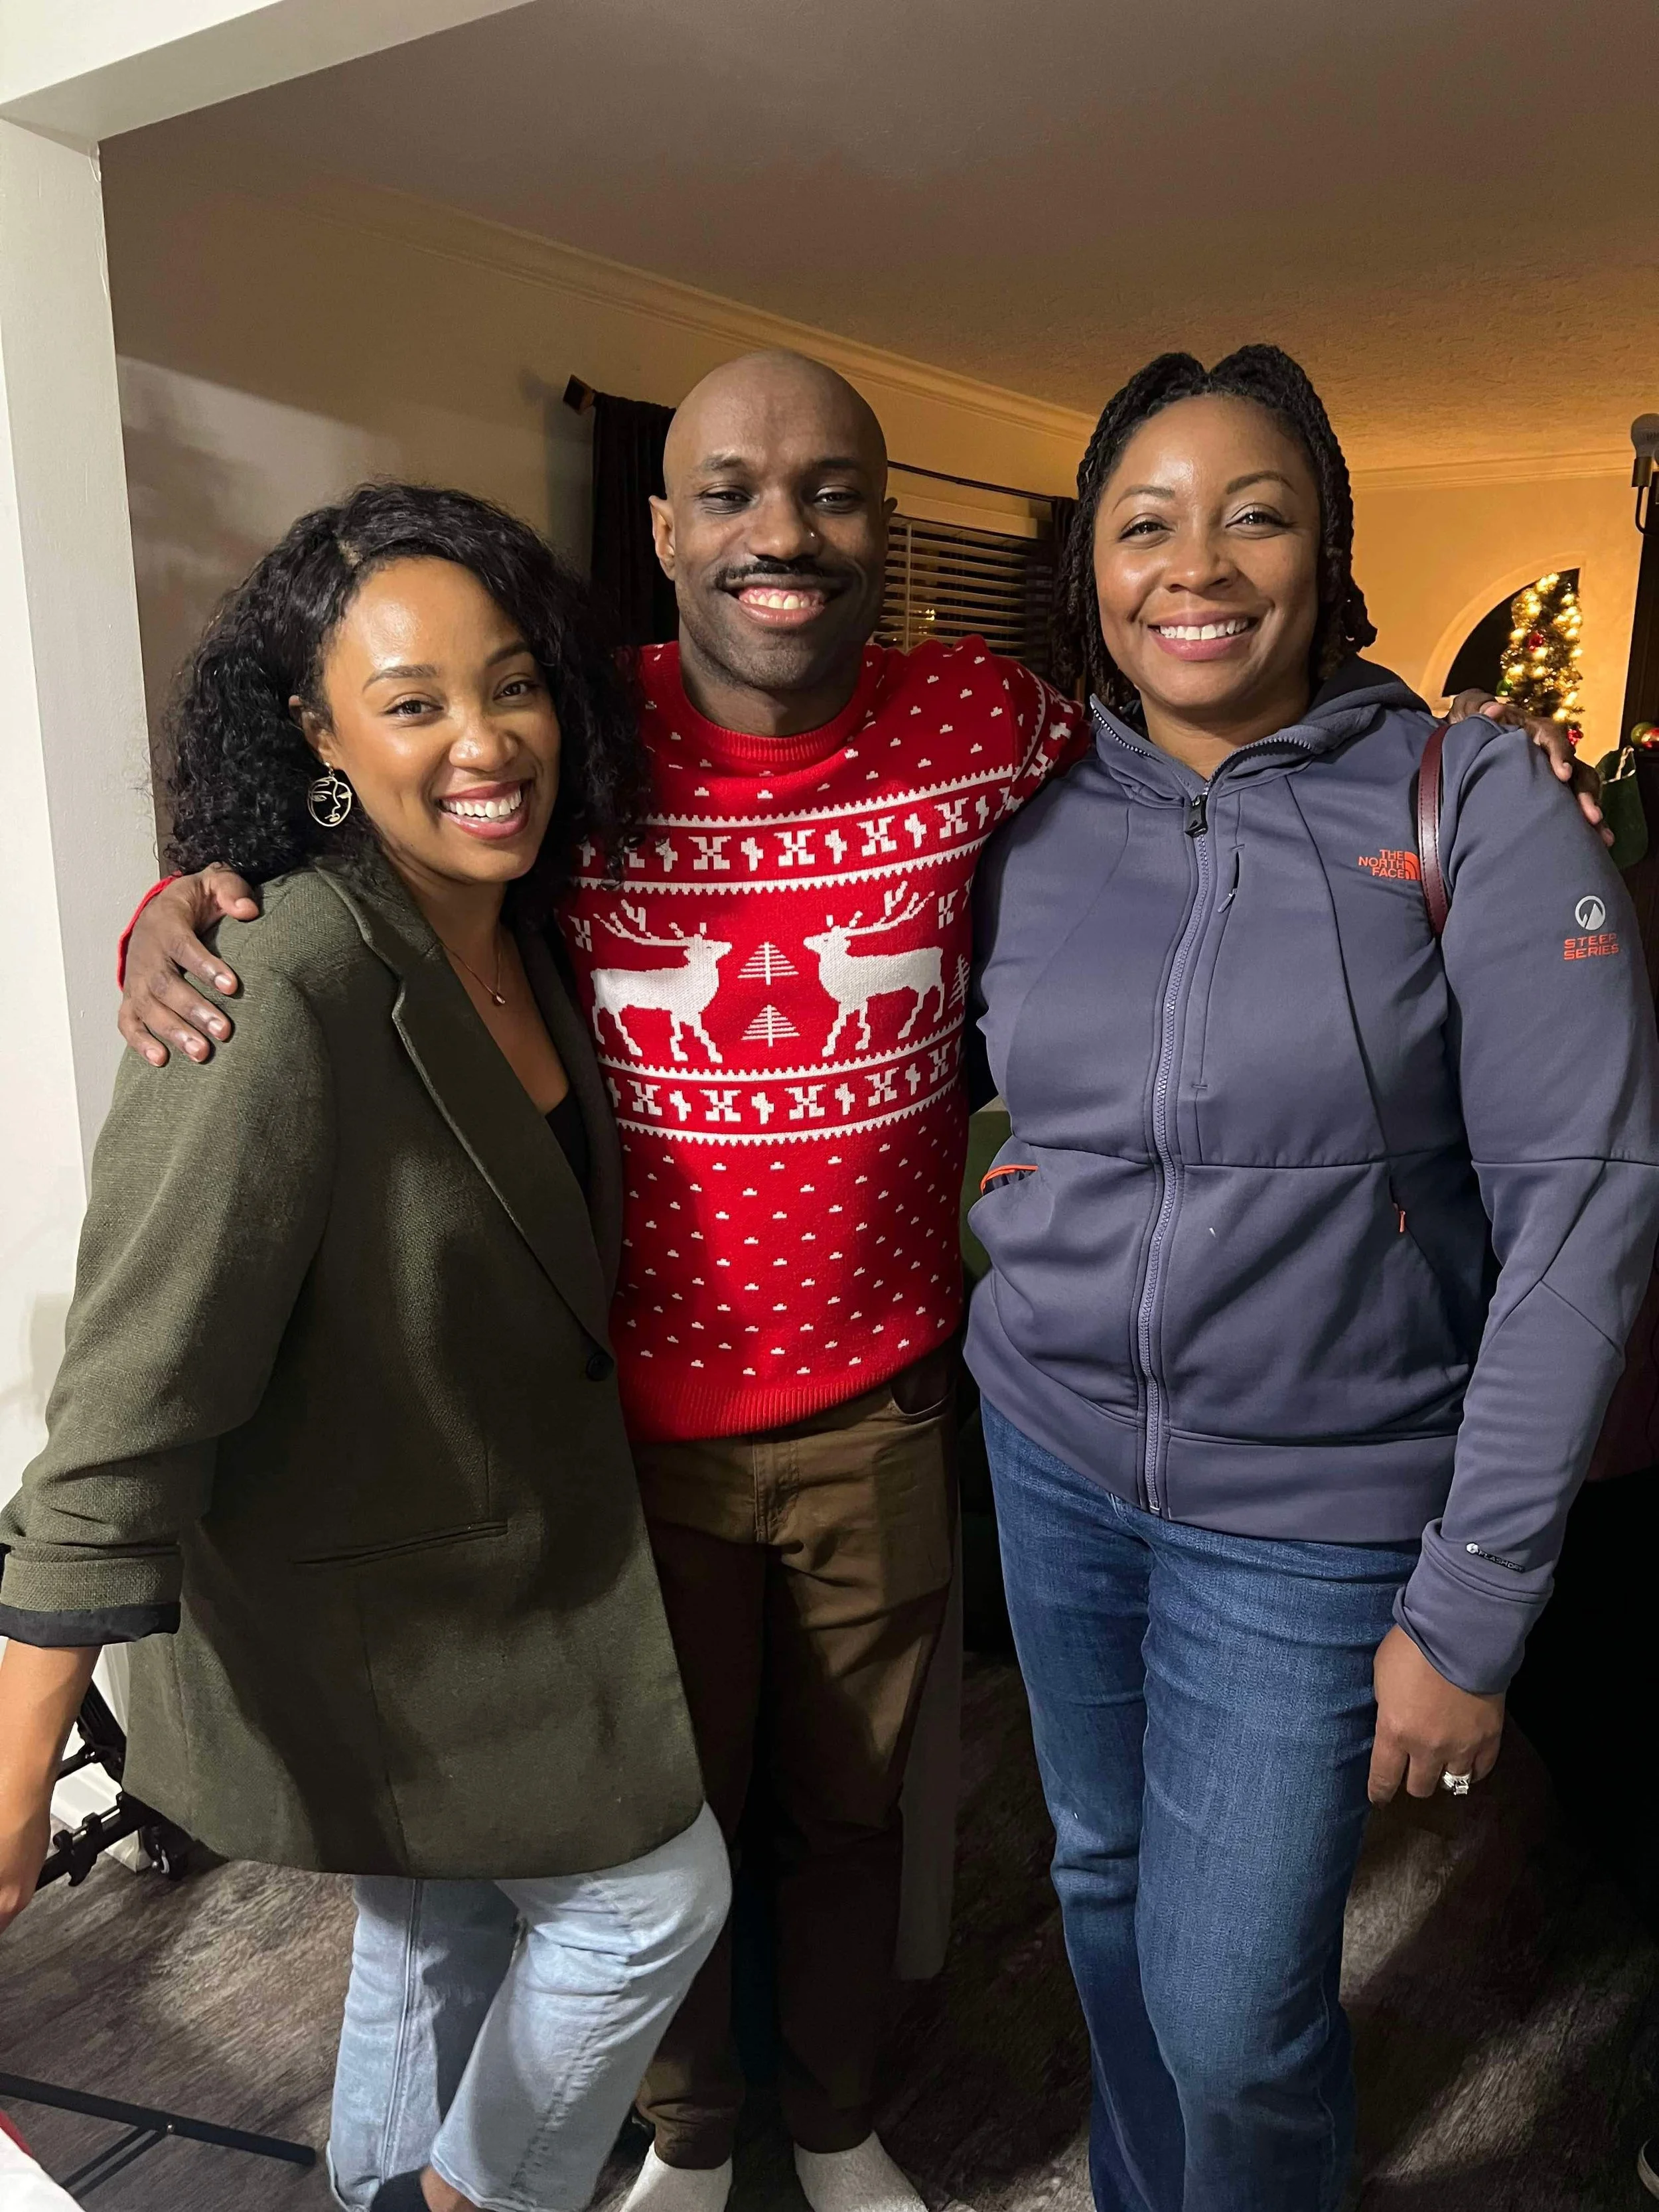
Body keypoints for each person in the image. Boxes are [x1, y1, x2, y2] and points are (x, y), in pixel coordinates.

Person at [113, 354, 1589, 2212]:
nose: (780, 532)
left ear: (883, 526)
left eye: (829, 490)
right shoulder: (576, 737)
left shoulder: (990, 721)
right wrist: (185, 895)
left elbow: (1224, 741)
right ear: (662, 531)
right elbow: (385, 847)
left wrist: (1464, 743)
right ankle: (694, 2134)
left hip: (884, 1409)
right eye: (728, 493)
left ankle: (825, 2120)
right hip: (620, 1425)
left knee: (850, 1818)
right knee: (657, 1822)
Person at [964, 346, 1659, 2212]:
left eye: (1253, 515)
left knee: (1228, 2007)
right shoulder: (1024, 799)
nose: (1194, 564)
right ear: (1089, 566)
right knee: (1100, 1881)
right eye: (1145, 523)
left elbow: (1584, 1206)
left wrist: (1474, 1602)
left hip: (1314, 1513)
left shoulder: (1472, 796)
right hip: (1047, 1454)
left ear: (1326, 553)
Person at [0, 484, 731, 2212]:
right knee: (655, 1898)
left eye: (513, 684)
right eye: (413, 703)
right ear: (317, 736)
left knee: (441, 1917)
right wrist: (16, 1771)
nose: (484, 741)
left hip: (513, 1567)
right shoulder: (280, 975)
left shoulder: (520, 925)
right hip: (383, 1619)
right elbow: (128, 1399)